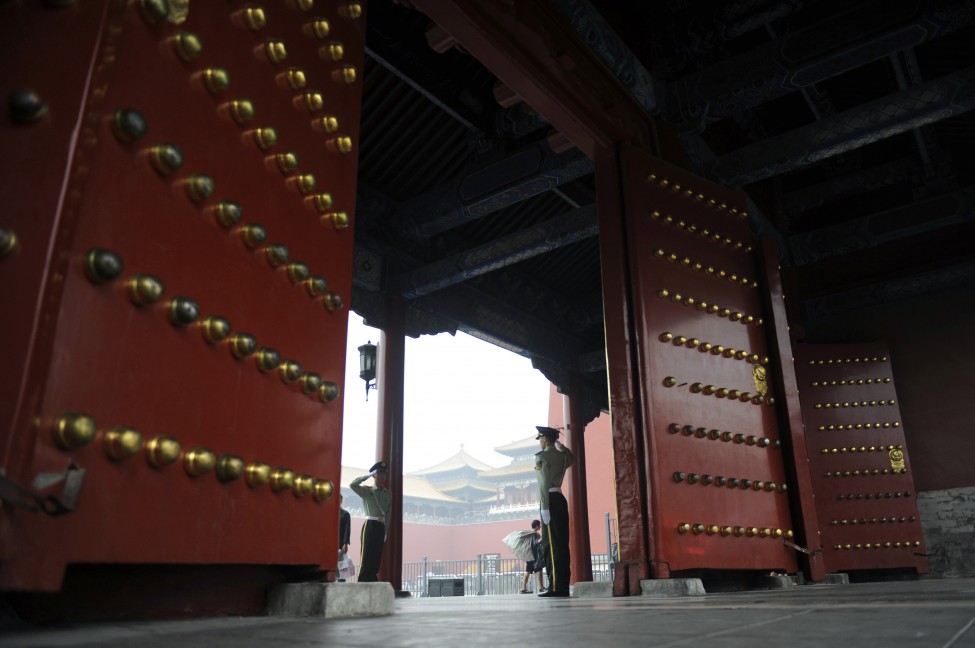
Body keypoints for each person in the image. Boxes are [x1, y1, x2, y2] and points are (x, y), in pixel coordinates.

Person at [534, 425, 574, 597]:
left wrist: (544, 507)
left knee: (550, 545)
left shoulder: (541, 457)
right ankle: (563, 585)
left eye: (541, 438)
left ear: (546, 439)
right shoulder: (562, 457)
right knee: (562, 544)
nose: (540, 442)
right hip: (560, 499)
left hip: (549, 501)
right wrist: (560, 445)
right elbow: (571, 457)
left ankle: (555, 587)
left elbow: (543, 483)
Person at [350, 460, 391, 582]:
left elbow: (388, 515)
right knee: (366, 555)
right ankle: (362, 581)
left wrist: (385, 532)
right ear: (374, 475)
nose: (383, 476)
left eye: (385, 473)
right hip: (370, 525)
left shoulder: (388, 495)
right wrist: (367, 476)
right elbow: (353, 485)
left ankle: (372, 581)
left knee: (376, 557)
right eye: (380, 473)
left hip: (380, 526)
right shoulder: (367, 491)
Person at [519, 519, 546, 594]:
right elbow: (534, 544)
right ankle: (541, 587)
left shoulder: (529, 534)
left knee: (528, 571)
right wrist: (540, 540)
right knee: (539, 570)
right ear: (536, 526)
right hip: (534, 556)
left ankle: (523, 588)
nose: (540, 526)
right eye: (539, 525)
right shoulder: (534, 534)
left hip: (529, 555)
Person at [337, 493, 352, 581]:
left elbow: (347, 530)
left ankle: (342, 583)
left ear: (341, 501)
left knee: (342, 566)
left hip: (341, 545)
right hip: (330, 544)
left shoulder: (345, 514)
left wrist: (346, 543)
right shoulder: (330, 513)